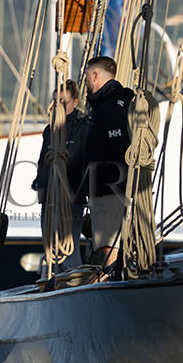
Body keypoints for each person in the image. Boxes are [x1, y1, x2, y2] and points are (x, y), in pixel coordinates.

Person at [77, 54, 134, 269]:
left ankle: (110, 276)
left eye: (86, 77)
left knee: (108, 245)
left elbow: (119, 148)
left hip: (109, 189)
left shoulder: (108, 108)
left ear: (95, 75)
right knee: (113, 242)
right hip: (115, 187)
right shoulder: (119, 102)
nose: (85, 82)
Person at [32, 80, 88, 254]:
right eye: (56, 101)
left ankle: (73, 280)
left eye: (64, 102)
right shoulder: (50, 129)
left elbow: (84, 161)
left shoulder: (83, 127)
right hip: (49, 194)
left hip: (71, 195)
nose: (59, 106)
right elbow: (43, 160)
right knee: (49, 247)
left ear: (76, 102)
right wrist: (40, 182)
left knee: (69, 251)